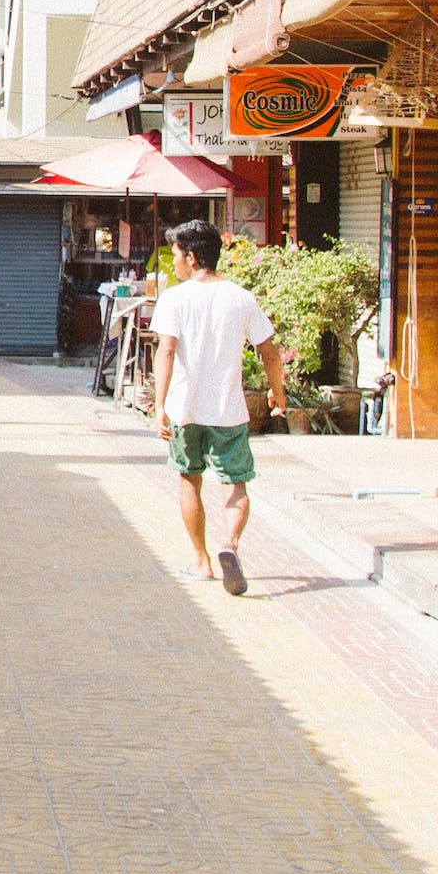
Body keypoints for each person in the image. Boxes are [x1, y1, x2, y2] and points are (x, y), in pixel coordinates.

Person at [151, 218, 286, 596]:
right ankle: (230, 544)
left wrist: (159, 405)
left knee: (188, 479)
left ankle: (201, 560)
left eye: (176, 254)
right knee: (236, 484)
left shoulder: (174, 298)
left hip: (185, 410)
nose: (174, 261)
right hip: (229, 409)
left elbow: (166, 351)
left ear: (192, 258)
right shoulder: (240, 297)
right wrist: (277, 392)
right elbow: (269, 351)